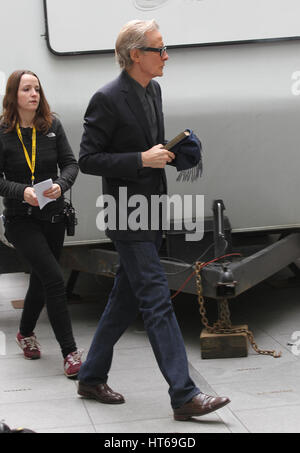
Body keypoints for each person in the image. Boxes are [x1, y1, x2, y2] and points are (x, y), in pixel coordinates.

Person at [77, 20, 230, 421]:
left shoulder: (153, 90)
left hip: (153, 210)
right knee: (157, 301)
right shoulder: (106, 99)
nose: (166, 56)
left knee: (123, 299)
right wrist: (140, 159)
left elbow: (150, 146)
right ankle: (184, 395)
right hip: (127, 216)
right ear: (135, 55)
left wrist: (170, 153)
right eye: (159, 49)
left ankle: (91, 376)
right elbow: (88, 159)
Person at [0, 70, 82, 378]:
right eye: (26, 89)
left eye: (37, 88)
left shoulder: (52, 125)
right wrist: (23, 191)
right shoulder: (3, 132)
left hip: (53, 216)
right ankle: (70, 352)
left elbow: (72, 164)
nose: (34, 94)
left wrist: (61, 185)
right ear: (14, 96)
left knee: (41, 277)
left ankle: (25, 334)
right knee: (54, 278)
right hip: (21, 220)